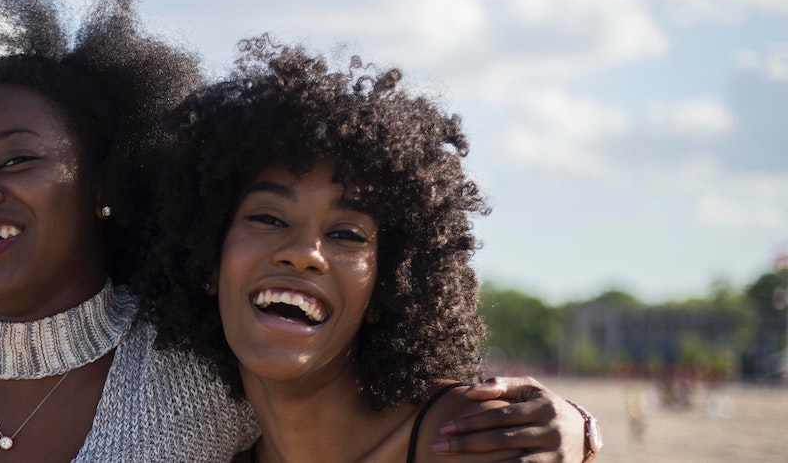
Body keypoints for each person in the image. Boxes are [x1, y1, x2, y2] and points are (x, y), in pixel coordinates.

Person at [0, 0, 590, 462]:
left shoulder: (194, 366)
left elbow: (361, 397)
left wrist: (572, 423)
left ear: (105, 186)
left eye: (18, 159)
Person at [136, 38, 599, 462]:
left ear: (386, 288)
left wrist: (581, 436)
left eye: (347, 234)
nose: (303, 253)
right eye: (268, 218)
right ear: (207, 260)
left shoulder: (470, 437)